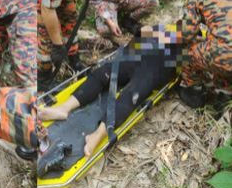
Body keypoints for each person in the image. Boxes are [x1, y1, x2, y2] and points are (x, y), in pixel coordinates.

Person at [38, 33, 180, 170]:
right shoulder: (161, 31)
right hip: (142, 52)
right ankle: (63, 108)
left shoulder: (185, 49)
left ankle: (98, 134)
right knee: (103, 73)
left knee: (132, 94)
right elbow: (135, 42)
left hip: (159, 64)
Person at [172, 0, 232, 107]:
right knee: (216, 46)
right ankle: (224, 95)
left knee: (185, 50)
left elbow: (186, 33)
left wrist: (167, 32)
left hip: (225, 56)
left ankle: (192, 90)